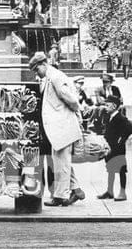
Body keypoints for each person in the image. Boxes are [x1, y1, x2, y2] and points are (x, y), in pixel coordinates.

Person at [29, 51, 85, 207]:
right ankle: (76, 189)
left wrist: (73, 114)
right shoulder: (50, 77)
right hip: (58, 127)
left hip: (63, 125)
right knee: (61, 161)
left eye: (36, 69)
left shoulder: (56, 77)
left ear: (43, 64)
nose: (36, 74)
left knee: (61, 162)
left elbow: (72, 100)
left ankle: (60, 197)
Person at [97, 94, 132, 201]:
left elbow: (131, 127)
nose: (105, 107)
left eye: (107, 105)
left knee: (122, 170)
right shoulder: (110, 116)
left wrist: (121, 139)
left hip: (118, 149)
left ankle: (123, 193)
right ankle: (110, 191)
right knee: (111, 169)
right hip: (111, 148)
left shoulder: (120, 117)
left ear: (114, 106)